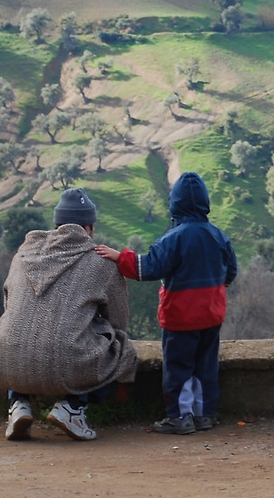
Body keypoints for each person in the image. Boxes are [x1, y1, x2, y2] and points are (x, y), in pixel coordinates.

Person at [0, 188, 137, 442]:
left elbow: (9, 306)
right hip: (69, 363)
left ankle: (18, 404)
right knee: (124, 351)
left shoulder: (22, 255)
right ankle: (72, 407)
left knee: (12, 330)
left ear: (58, 224)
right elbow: (118, 322)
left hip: (7, 360)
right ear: (89, 227)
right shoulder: (102, 263)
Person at [96, 172, 238, 436]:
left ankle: (180, 417)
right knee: (205, 366)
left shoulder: (173, 238)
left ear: (175, 204)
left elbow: (147, 267)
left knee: (179, 368)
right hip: (211, 315)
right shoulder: (218, 236)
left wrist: (120, 257)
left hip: (180, 318)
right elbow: (231, 271)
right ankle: (204, 414)